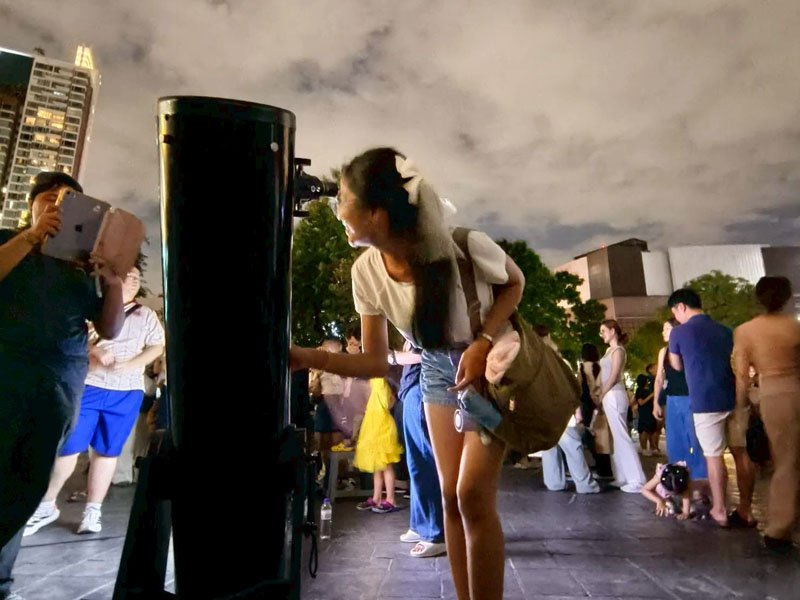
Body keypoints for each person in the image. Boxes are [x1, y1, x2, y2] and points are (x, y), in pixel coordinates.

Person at [291, 148, 524, 600]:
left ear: (376, 213)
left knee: (472, 496)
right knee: (450, 498)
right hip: (435, 370)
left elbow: (515, 283)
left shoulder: (465, 244)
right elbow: (376, 362)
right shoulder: (365, 273)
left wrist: (483, 339)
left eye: (342, 198)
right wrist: (307, 357)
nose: (336, 210)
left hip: (490, 369)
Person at [0, 172, 124, 600]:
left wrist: (113, 282)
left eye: (69, 200)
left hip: (59, 382)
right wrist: (32, 237)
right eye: (51, 197)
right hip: (6, 374)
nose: (58, 205)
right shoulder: (10, 240)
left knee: (29, 481)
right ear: (31, 205)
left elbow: (109, 329)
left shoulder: (81, 264)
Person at [24, 266, 165, 536]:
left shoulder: (145, 314)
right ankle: (46, 504)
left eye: (137, 278)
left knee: (107, 451)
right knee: (69, 448)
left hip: (126, 391)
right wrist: (94, 350)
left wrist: (131, 364)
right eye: (128, 276)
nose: (133, 281)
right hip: (89, 385)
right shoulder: (94, 308)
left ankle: (93, 511)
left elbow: (157, 346)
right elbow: (68, 336)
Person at [668, 288, 755, 528]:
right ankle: (746, 510)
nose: (676, 317)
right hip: (734, 397)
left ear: (681, 307)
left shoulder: (678, 332)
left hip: (705, 400)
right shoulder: (725, 330)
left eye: (675, 312)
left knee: (713, 456)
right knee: (741, 453)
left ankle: (719, 509)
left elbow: (676, 365)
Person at [734, 276, 800, 554]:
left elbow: (741, 376)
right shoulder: (794, 327)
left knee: (785, 462)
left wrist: (741, 408)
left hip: (774, 395)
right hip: (796, 388)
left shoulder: (746, 331)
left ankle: (779, 528)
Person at [395, 343, 446, 557]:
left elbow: (426, 354)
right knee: (416, 463)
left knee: (424, 463)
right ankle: (419, 524)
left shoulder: (423, 327)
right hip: (414, 391)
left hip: (422, 389)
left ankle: (434, 533)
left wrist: (392, 357)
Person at [653, 319, 709, 488]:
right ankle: (678, 476)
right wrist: (656, 402)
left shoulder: (689, 347)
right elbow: (659, 378)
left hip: (690, 397)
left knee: (694, 438)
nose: (663, 332)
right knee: (674, 440)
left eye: (667, 329)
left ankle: (700, 477)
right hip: (672, 399)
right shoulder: (663, 351)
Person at [597, 320, 646, 493]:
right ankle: (623, 476)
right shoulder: (609, 351)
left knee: (622, 437)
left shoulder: (618, 350)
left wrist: (601, 393)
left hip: (614, 395)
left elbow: (614, 376)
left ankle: (637, 479)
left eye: (603, 331)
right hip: (609, 395)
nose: (601, 334)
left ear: (612, 331)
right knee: (616, 438)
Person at [354, 378, 404, 513]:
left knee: (386, 465)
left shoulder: (380, 381)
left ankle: (390, 499)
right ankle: (376, 497)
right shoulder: (373, 381)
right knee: (378, 465)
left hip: (382, 426)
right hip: (373, 425)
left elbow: (388, 402)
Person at [635, 364, 659, 455]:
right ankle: (644, 448)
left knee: (652, 430)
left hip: (650, 411)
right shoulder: (639, 390)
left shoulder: (647, 390)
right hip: (644, 412)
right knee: (644, 431)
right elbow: (641, 402)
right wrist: (651, 396)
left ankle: (653, 447)